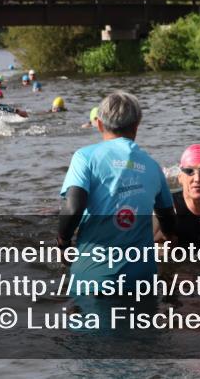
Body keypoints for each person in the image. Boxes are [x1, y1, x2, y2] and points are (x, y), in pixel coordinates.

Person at [57, 91, 177, 293]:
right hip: (142, 280)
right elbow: (167, 219)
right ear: (137, 126)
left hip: (94, 280)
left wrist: (63, 242)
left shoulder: (85, 157)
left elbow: (73, 207)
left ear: (100, 124)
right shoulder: (153, 166)